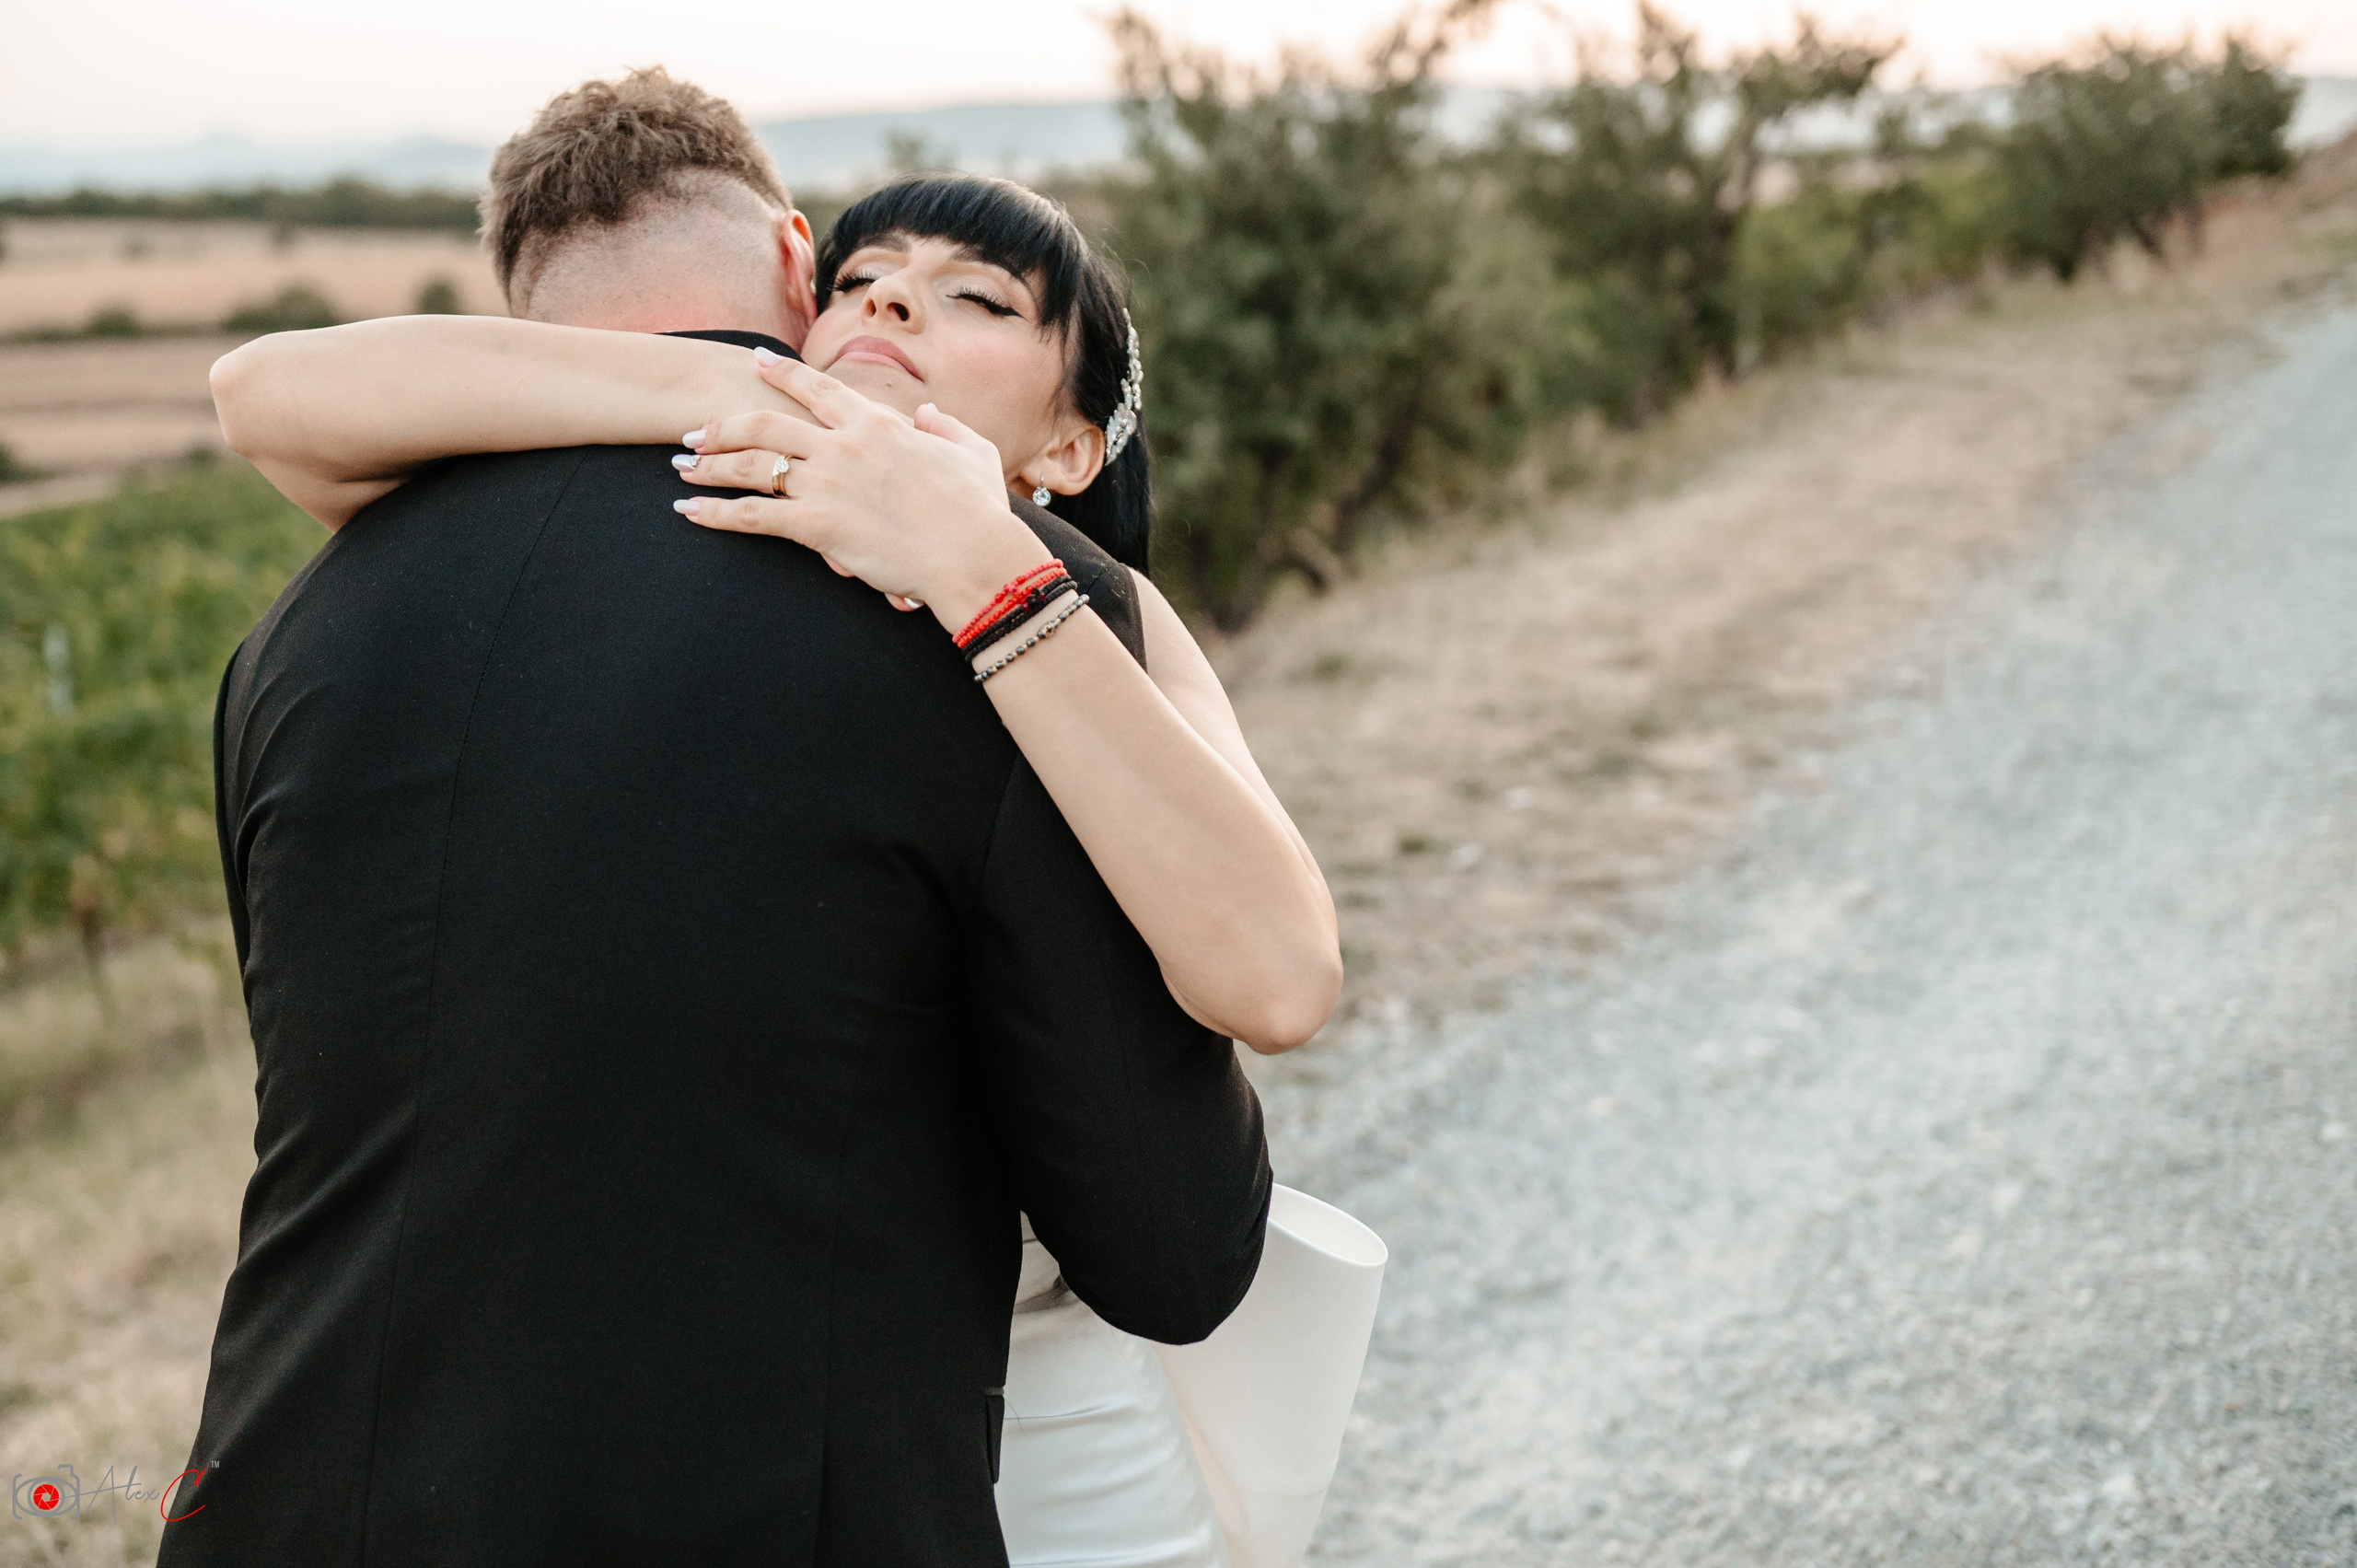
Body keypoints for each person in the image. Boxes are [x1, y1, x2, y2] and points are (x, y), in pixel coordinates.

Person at [167, 71, 1291, 1567]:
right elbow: (1176, 1238)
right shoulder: (978, 610)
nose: (893, 314)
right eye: (871, 282)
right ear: (796, 267)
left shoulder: (299, 632)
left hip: (280, 1501)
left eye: (975, 296)